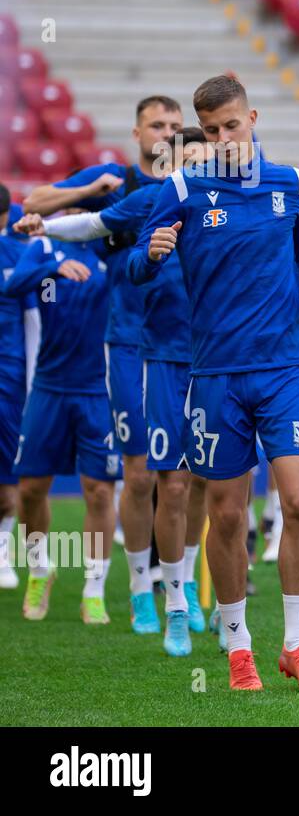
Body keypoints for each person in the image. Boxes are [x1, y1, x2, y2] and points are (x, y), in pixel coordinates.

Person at [15, 133, 299, 655]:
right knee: (164, 478)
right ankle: (165, 599)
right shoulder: (164, 196)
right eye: (186, 156)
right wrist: (48, 226)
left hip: (237, 360)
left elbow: (298, 224)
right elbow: (101, 227)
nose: (195, 163)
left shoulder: (255, 191)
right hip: (169, 358)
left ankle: (206, 592)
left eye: (201, 153)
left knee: (219, 488)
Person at [129, 74, 299, 692]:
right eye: (211, 129)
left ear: (254, 118)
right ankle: (239, 645)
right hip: (215, 375)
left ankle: (298, 644)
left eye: (232, 125)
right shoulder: (183, 188)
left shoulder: (292, 185)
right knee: (225, 514)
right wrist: (155, 252)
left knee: (298, 502)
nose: (223, 138)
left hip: (284, 368)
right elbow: (138, 264)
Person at [23, 96, 186, 632]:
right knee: (135, 476)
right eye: (156, 125)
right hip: (123, 347)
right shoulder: (116, 181)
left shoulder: (194, 193)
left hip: (186, 348)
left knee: (187, 479)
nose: (164, 134)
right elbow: (38, 204)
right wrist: (89, 191)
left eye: (173, 127)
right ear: (136, 130)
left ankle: (175, 585)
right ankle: (133, 586)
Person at [2, 220, 119, 623]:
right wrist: (51, 270)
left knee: (99, 491)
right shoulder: (43, 248)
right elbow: (12, 285)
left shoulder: (107, 247)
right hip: (48, 386)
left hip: (95, 389)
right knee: (31, 489)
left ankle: (94, 588)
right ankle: (39, 570)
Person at [0, 182, 40, 591]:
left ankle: (2, 551)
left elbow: (34, 322)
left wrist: (32, 381)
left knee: (10, 477)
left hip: (9, 378)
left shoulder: (18, 253)